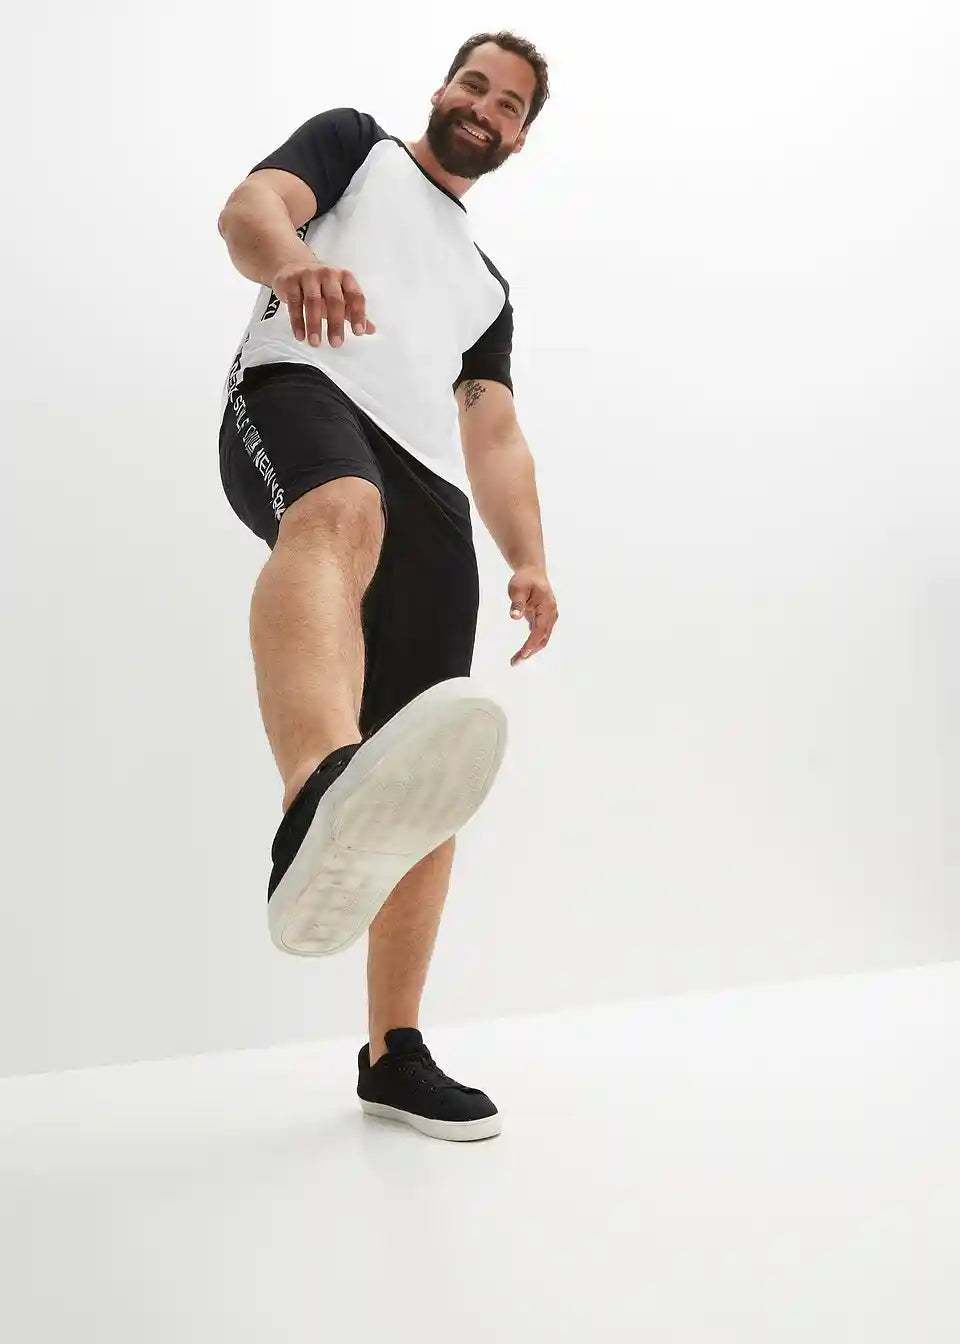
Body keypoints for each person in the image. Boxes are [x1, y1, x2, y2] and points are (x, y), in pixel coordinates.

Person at [216, 31, 558, 1141]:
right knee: (340, 508)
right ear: (443, 89)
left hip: (428, 479)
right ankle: (317, 788)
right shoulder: (356, 148)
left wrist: (528, 557)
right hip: (302, 387)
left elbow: (494, 432)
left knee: (426, 759)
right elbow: (250, 209)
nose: (485, 108)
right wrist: (290, 263)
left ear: (519, 138)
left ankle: (393, 1053)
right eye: (475, 84)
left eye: (510, 105)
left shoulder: (486, 288)